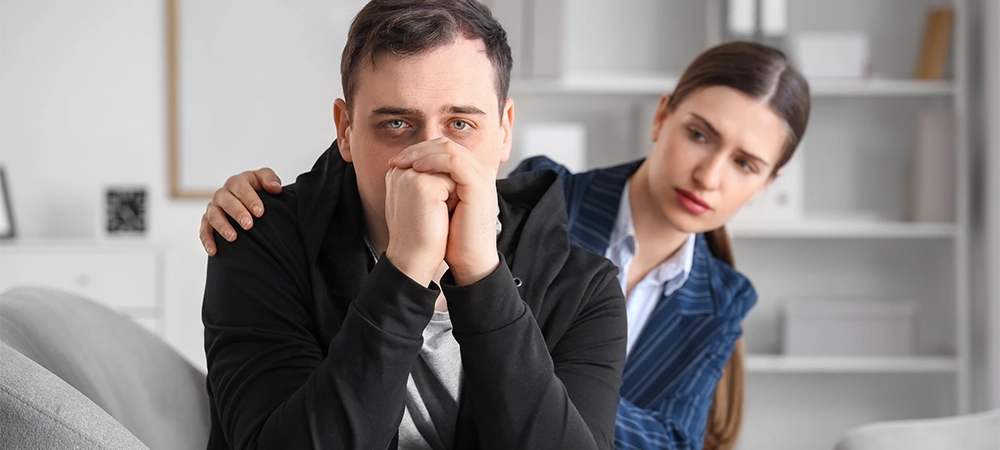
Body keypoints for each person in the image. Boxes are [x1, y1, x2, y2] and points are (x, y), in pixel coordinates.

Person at [201, 41, 811, 449]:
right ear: (662, 118)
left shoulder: (719, 295)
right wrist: (275, 202)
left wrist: (566, 400)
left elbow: (676, 438)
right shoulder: (537, 210)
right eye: (699, 135)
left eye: (746, 163)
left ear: (769, 183)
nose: (710, 175)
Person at [200, 1, 628, 449]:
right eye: (396, 123)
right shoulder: (258, 239)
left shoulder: (584, 289)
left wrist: (483, 276)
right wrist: (404, 269)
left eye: (460, 124)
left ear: (505, 130)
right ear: (345, 130)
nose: (431, 158)